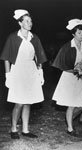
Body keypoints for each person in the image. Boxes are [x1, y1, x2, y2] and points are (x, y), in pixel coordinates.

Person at [0, 9, 47, 139]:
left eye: (30, 20)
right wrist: (7, 75)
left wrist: (40, 72)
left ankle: (25, 129)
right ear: (20, 23)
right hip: (18, 71)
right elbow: (6, 58)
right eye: (26, 21)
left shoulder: (34, 37)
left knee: (28, 102)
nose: (30, 23)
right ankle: (13, 128)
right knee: (19, 102)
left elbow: (39, 57)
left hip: (31, 71)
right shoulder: (13, 37)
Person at [52, 19, 82, 136]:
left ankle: (69, 120)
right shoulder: (67, 47)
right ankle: (70, 128)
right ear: (73, 34)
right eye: (79, 33)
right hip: (70, 78)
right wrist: (76, 70)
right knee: (72, 104)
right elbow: (61, 65)